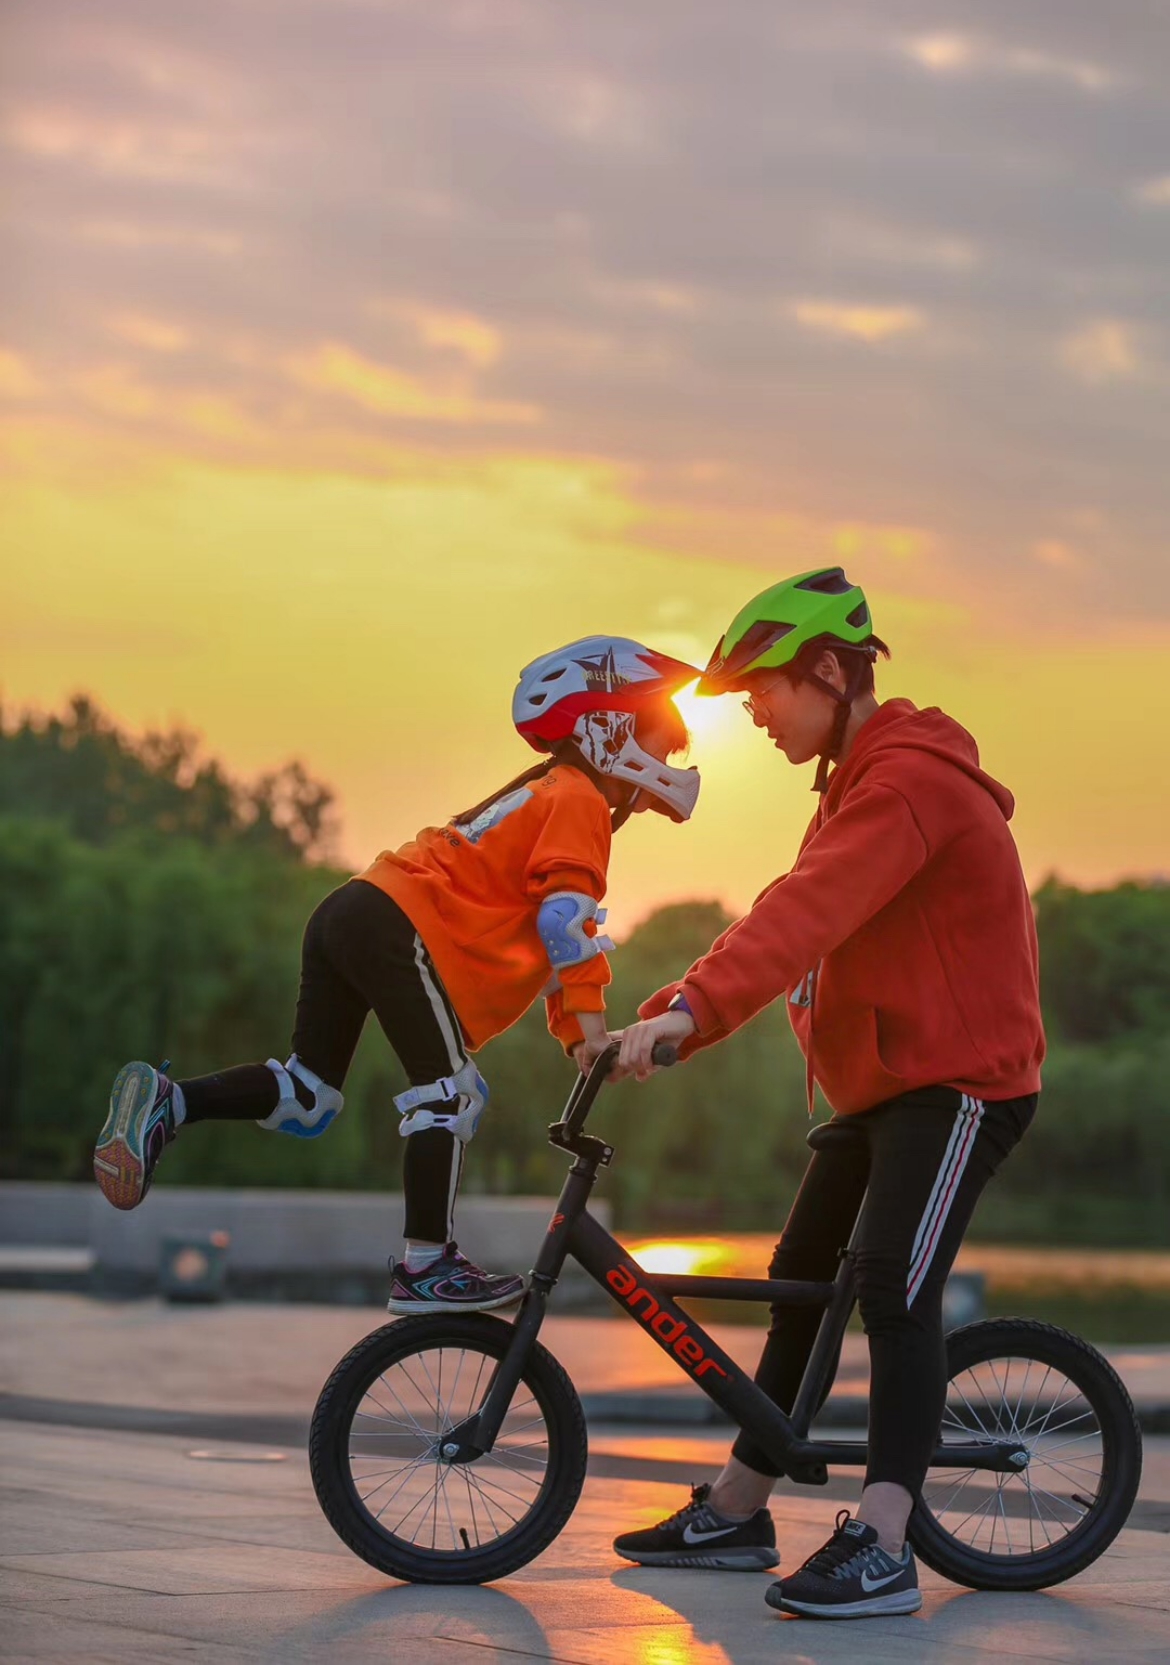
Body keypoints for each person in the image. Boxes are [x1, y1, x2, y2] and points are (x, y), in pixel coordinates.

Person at [611, 567, 1043, 1620]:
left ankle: (887, 1542)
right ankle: (741, 1505)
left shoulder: (907, 784)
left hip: (961, 1083)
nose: (753, 711)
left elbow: (811, 908)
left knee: (890, 1286)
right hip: (883, 1087)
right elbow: (787, 912)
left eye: (763, 687)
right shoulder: (855, 784)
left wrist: (693, 1011)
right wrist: (674, 1003)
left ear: (827, 671)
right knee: (805, 1275)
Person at [93, 636, 700, 1313]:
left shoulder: (547, 790)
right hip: (393, 923)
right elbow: (565, 925)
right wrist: (593, 1027)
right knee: (451, 1091)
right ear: (610, 726)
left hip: (350, 910)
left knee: (308, 1094)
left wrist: (578, 1038)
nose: (670, 759)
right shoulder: (582, 800)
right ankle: (427, 1266)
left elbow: (545, 938)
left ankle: (170, 1102)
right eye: (661, 740)